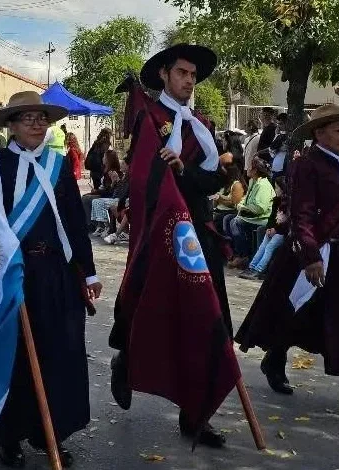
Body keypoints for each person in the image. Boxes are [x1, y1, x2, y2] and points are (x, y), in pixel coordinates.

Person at [0, 91, 101, 467]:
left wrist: (88, 270)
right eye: (26, 117)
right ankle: (8, 435)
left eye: (40, 117)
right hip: (11, 274)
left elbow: (74, 222)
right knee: (12, 357)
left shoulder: (59, 164)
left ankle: (50, 432)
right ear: (11, 126)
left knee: (59, 354)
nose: (35, 123)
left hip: (57, 275)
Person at [236, 103, 339, 429]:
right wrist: (310, 255)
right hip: (312, 254)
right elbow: (302, 214)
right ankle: (276, 357)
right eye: (338, 130)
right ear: (319, 133)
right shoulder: (308, 165)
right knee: (295, 311)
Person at [110, 43, 235, 448]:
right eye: (182, 73)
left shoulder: (201, 124)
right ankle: (127, 361)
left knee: (208, 316)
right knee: (146, 303)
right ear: (164, 75)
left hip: (198, 230)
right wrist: (170, 181)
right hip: (160, 230)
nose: (188, 81)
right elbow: (143, 178)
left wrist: (185, 174)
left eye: (193, 75)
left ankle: (196, 412)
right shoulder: (151, 119)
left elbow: (217, 180)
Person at [226, 157, 275, 269]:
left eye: (250, 167)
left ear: (255, 170)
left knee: (236, 222)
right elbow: (246, 199)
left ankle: (244, 255)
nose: (247, 168)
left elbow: (259, 208)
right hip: (251, 216)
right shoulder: (253, 182)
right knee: (228, 218)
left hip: (261, 218)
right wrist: (242, 205)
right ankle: (236, 253)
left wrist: (242, 207)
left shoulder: (263, 185)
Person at [239, 177, 288, 281]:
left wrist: (276, 229)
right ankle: (251, 267)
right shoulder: (276, 200)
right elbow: (271, 217)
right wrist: (269, 228)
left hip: (282, 232)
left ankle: (259, 270)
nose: (275, 190)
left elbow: (287, 222)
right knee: (263, 246)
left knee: (270, 247)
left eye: (277, 188)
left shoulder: (289, 203)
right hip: (273, 229)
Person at [83, 149, 122, 233]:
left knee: (87, 199)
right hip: (104, 194)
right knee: (85, 197)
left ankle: (92, 224)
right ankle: (93, 223)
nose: (103, 158)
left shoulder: (112, 172)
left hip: (109, 196)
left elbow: (110, 191)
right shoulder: (105, 170)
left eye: (104, 156)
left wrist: (96, 191)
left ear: (109, 159)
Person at [211, 163, 246, 235]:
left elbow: (233, 203)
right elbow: (215, 203)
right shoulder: (224, 184)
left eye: (224, 172)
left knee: (219, 218)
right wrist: (215, 198)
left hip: (230, 211)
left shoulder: (237, 184)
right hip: (218, 210)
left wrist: (219, 199)